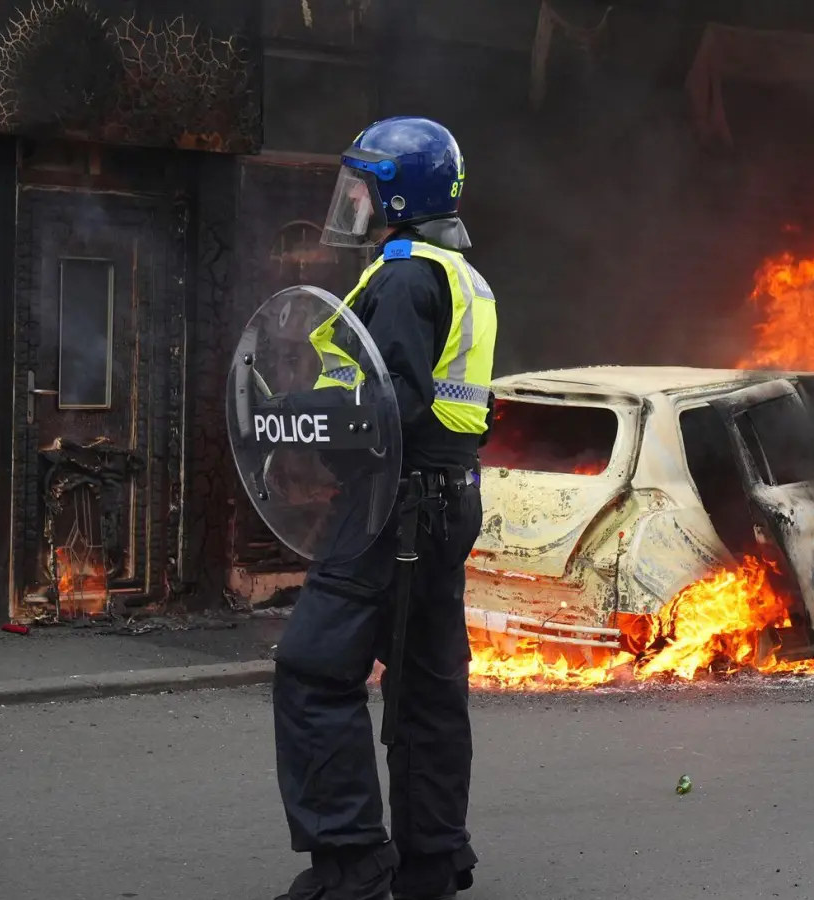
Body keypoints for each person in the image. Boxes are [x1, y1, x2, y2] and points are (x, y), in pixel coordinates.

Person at [271, 116, 497, 900]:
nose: (354, 199)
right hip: (446, 499)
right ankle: (432, 860)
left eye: (364, 184)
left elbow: (388, 407)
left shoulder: (401, 276)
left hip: (391, 504)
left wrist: (293, 414)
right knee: (427, 684)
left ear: (398, 193)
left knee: (312, 668)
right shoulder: (459, 273)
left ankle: (350, 863)